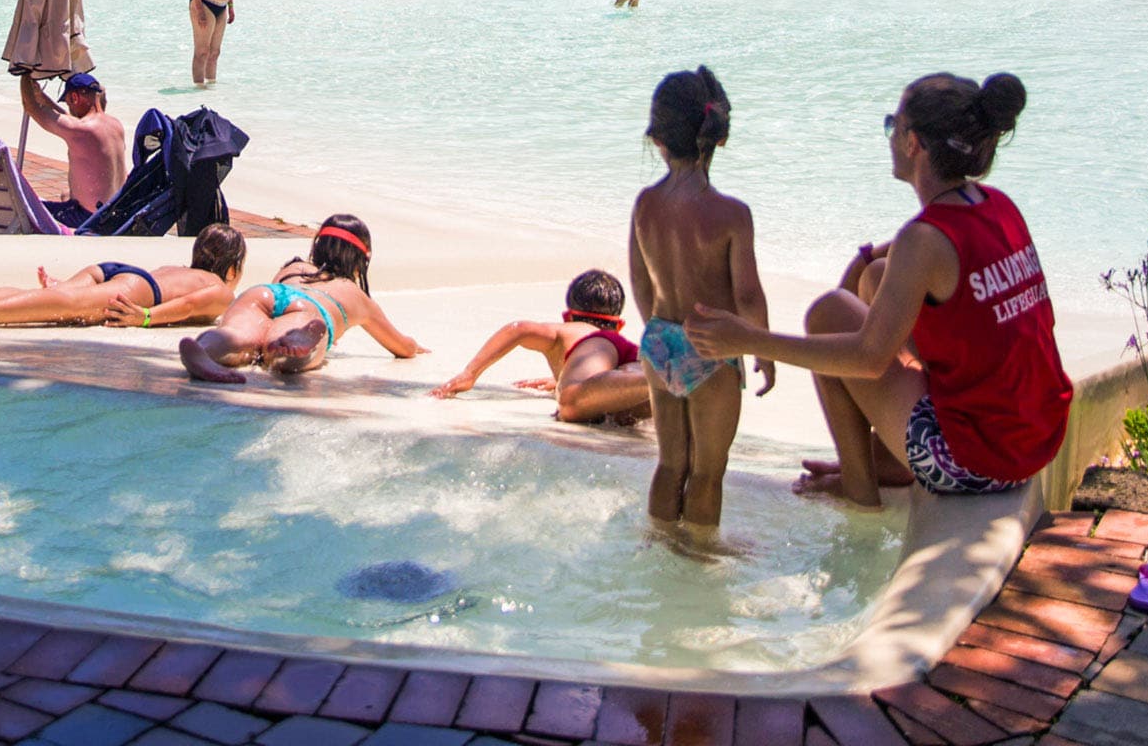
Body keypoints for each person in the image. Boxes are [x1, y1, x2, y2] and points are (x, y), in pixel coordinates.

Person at [693, 72, 1073, 510]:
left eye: (894, 125)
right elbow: (917, 260)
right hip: (1038, 437)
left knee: (829, 312)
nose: (889, 136)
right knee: (875, 279)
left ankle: (860, 488)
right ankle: (887, 462)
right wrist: (864, 259)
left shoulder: (924, 238)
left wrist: (747, 339)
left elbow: (868, 359)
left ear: (914, 144)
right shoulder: (997, 206)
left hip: (976, 465)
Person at [628, 68, 772, 533]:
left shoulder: (645, 203)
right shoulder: (732, 215)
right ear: (717, 137)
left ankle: (660, 544)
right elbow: (747, 294)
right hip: (711, 351)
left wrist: (658, 333)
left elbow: (641, 283)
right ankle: (699, 561)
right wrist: (764, 351)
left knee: (670, 464)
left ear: (658, 138)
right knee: (708, 472)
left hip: (660, 342)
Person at [179, 216, 424, 383]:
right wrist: (414, 346)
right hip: (311, 310)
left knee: (239, 335)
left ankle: (204, 348)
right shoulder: (355, 295)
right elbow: (402, 348)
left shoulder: (295, 266)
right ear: (362, 258)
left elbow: (274, 308)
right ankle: (293, 342)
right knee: (280, 355)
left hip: (265, 294)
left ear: (317, 247)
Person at [430, 269, 653, 425]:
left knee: (570, 402)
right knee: (624, 410)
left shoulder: (575, 332)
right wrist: (560, 377)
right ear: (619, 324)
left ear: (568, 316)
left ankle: (655, 380)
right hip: (635, 364)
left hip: (599, 354)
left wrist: (469, 374)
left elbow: (519, 329)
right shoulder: (617, 344)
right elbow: (601, 375)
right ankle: (659, 379)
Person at [0, 226, 248, 329]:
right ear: (232, 269)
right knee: (67, 305)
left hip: (118, 272)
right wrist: (144, 317)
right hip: (140, 290)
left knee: (50, 300)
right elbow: (189, 305)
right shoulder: (220, 288)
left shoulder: (184, 270)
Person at [18, 70, 129, 225]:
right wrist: (42, 97)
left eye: (69, 102)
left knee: (23, 208)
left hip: (89, 218)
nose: (69, 107)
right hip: (116, 214)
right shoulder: (115, 125)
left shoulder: (80, 130)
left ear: (74, 97)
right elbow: (70, 120)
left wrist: (24, 71)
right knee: (65, 194)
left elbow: (30, 107)